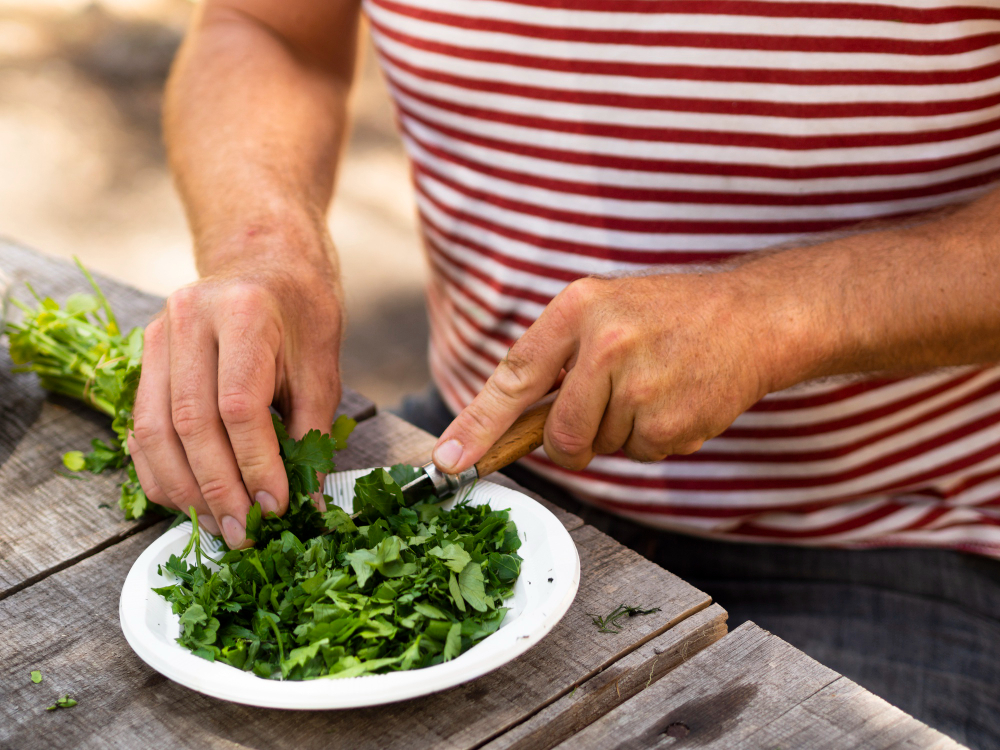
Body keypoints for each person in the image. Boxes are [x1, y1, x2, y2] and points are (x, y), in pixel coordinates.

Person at [130, 1, 1000, 745]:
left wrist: (779, 315)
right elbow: (264, 26)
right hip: (475, 469)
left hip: (895, 531)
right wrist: (265, 248)